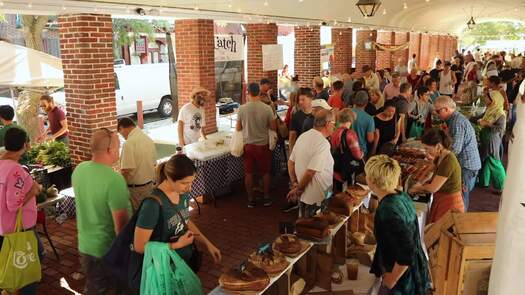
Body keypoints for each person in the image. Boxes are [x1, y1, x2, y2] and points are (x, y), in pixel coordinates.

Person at [133, 154, 221, 269]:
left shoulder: (182, 193)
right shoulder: (152, 205)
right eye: (184, 183)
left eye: (191, 182)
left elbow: (185, 220)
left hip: (184, 262)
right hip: (164, 267)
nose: (189, 188)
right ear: (169, 178)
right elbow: (139, 246)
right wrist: (177, 245)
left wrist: (207, 244)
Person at [72, 128, 131, 294]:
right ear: (109, 150)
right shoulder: (114, 180)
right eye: (118, 147)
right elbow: (121, 226)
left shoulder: (79, 170)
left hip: (85, 245)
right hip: (107, 249)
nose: (119, 151)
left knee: (94, 287)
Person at [365, 155, 431, 295]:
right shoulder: (400, 195)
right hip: (416, 268)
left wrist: (389, 282)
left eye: (367, 175)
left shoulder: (387, 210)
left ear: (372, 181)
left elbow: (406, 254)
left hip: (404, 279)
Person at [0, 128, 43, 295]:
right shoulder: (16, 171)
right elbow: (14, 204)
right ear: (24, 145)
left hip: (4, 228)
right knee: (29, 267)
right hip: (18, 230)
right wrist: (33, 191)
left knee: (9, 264)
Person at [433, 96, 481, 211]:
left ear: (446, 109)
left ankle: (460, 224)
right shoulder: (455, 119)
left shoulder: (456, 122)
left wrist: (439, 158)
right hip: (466, 164)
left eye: (438, 111)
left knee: (460, 198)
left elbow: (455, 149)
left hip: (466, 165)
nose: (436, 114)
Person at [287, 109, 335, 218]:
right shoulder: (323, 143)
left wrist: (295, 183)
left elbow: (290, 162)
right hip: (317, 197)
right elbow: (310, 172)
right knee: (315, 229)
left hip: (304, 195)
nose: (334, 127)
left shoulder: (303, 136)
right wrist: (298, 189)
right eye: (333, 123)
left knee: (303, 225)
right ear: (327, 124)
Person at [409, 128, 464, 223]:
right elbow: (429, 172)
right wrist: (419, 182)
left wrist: (418, 188)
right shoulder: (440, 156)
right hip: (441, 198)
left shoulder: (449, 161)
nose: (426, 153)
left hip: (450, 202)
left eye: (427, 149)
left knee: (441, 232)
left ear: (438, 146)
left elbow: (433, 188)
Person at [236, 83, 276, 208]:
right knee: (265, 173)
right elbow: (273, 127)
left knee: (248, 173)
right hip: (263, 145)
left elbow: (238, 128)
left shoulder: (242, 109)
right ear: (259, 93)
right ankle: (266, 197)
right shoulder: (266, 108)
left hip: (248, 146)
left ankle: (250, 199)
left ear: (248, 93)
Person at [117, 117, 157, 211]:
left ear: (122, 128)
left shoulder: (129, 144)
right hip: (149, 186)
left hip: (136, 190)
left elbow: (125, 170)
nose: (122, 136)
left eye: (120, 133)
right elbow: (154, 164)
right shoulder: (148, 139)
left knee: (137, 217)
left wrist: (120, 188)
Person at [478, 90, 506, 193]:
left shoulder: (500, 114)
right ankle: (483, 182)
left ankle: (502, 187)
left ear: (494, 100)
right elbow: (480, 118)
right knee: (487, 159)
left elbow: (500, 129)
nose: (485, 99)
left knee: (494, 162)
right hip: (486, 137)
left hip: (492, 139)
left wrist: (487, 124)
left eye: (487, 97)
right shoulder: (490, 109)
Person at [330, 108, 363, 192]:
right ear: (351, 120)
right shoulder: (350, 134)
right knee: (347, 195)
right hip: (346, 170)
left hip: (335, 168)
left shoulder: (333, 132)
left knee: (337, 194)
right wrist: (362, 152)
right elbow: (358, 156)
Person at [289, 87, 314, 153]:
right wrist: (291, 155)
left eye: (303, 99)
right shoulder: (296, 116)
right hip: (301, 150)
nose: (300, 102)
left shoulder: (316, 115)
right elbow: (292, 137)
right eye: (299, 100)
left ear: (310, 99)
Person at [352, 90, 375, 158]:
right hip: (360, 150)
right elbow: (370, 139)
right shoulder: (369, 118)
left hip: (346, 148)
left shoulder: (346, 112)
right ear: (366, 102)